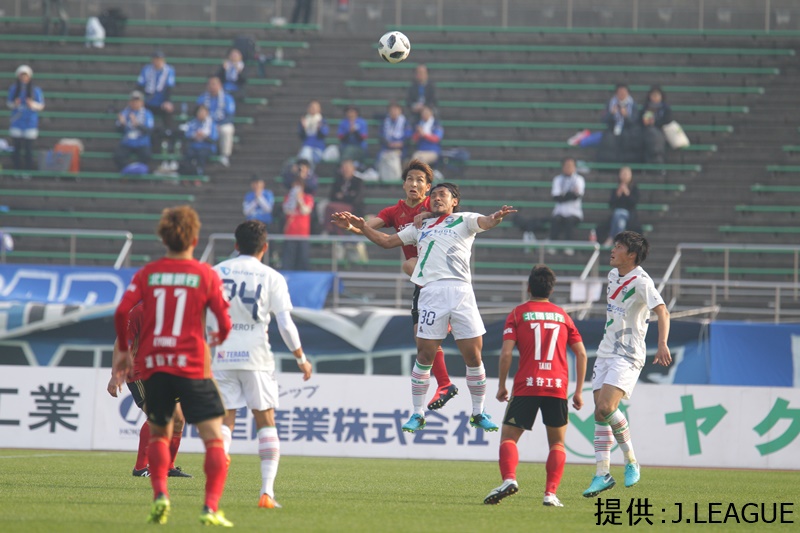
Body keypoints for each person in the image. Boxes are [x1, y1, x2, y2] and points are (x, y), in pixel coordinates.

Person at [340, 183, 516, 433]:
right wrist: (363, 227)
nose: (436, 198)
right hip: (431, 293)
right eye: (433, 195)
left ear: (454, 201)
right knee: (424, 355)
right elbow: (387, 241)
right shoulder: (420, 226)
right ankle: (417, 413)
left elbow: (485, 222)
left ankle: (478, 412)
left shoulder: (464, 220)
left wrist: (496, 217)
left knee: (473, 356)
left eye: (442, 195)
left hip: (461, 292)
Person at [112, 205, 234, 526]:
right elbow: (224, 321)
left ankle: (160, 496)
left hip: (156, 366)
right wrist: (219, 338)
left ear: (163, 239)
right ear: (194, 239)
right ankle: (210, 507)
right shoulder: (205, 274)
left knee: (160, 430)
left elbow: (121, 312)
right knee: (214, 435)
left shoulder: (148, 274)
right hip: (191, 364)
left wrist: (123, 353)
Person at [331, 160, 458, 410]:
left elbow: (450, 216)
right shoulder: (394, 211)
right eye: (410, 179)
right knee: (421, 340)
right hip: (422, 283)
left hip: (441, 276)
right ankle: (444, 385)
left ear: (428, 187)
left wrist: (429, 214)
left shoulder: (433, 204)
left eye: (420, 180)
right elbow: (368, 229)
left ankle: (455, 387)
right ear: (403, 184)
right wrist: (352, 227)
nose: (414, 184)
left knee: (408, 264)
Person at [210, 220, 313, 509]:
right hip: (256, 355)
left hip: (221, 354)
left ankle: (219, 468)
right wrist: (301, 359)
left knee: (225, 420)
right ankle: (266, 492)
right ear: (265, 248)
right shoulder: (272, 277)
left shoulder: (215, 273)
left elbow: (202, 316)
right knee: (265, 420)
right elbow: (285, 324)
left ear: (235, 245)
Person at [484, 265, 587, 507]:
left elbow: (506, 353)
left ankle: (509, 479)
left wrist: (502, 385)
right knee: (557, 444)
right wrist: (579, 391)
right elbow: (581, 354)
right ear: (551, 290)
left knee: (509, 438)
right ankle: (550, 494)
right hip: (557, 386)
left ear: (529, 287)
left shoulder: (518, 314)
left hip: (527, 384)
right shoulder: (563, 316)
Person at [582, 230, 671, 498]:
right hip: (606, 350)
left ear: (631, 255)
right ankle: (602, 474)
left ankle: (631, 461)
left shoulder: (642, 281)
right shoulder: (612, 275)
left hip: (628, 353)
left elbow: (663, 311)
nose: (613, 250)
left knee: (606, 407)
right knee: (600, 413)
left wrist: (662, 343)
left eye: (619, 247)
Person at [106, 303, 192, 479]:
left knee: (178, 420)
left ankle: (168, 466)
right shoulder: (140, 311)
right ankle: (140, 467)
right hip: (139, 372)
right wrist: (116, 373)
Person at [136, 51, 176, 157]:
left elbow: (169, 87)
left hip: (161, 102)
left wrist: (167, 101)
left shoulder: (169, 70)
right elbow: (140, 86)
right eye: (156, 59)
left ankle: (169, 137)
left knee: (169, 112)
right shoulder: (146, 70)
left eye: (159, 59)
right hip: (148, 102)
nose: (157, 62)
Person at [6, 65, 45, 173]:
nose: (24, 78)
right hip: (17, 122)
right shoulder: (14, 89)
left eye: (26, 76)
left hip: (30, 122)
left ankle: (28, 171)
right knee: (17, 148)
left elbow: (41, 105)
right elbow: (9, 103)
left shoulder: (35, 90)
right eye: (22, 76)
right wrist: (15, 104)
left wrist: (32, 104)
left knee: (28, 149)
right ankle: (17, 170)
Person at [197, 76, 235, 167]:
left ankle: (225, 155)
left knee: (227, 129)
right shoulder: (203, 98)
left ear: (220, 85)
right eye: (210, 84)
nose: (212, 87)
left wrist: (218, 125)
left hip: (221, 124)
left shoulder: (227, 98)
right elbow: (197, 113)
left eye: (214, 84)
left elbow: (230, 116)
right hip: (205, 124)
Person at [548, 157, 585, 252]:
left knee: (569, 221)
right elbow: (556, 197)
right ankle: (553, 245)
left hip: (574, 212)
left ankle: (569, 246)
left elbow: (577, 195)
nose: (568, 168)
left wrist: (564, 196)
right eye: (566, 165)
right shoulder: (557, 179)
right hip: (559, 212)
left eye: (571, 166)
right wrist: (570, 194)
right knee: (555, 220)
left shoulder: (579, 179)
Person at [597, 84, 641, 164]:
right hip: (612, 129)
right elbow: (604, 120)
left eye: (624, 92)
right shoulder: (610, 103)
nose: (622, 94)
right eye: (620, 92)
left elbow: (635, 121)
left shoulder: (633, 105)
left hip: (628, 130)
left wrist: (626, 116)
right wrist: (611, 114)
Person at [114, 90, 154, 172]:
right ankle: (128, 171)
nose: (135, 103)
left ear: (142, 102)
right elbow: (118, 130)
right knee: (118, 155)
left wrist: (137, 124)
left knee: (146, 155)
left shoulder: (147, 114)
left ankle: (136, 171)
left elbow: (148, 130)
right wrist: (122, 124)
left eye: (137, 101)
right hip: (128, 142)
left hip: (142, 142)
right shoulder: (124, 113)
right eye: (133, 101)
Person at [600, 167, 639, 247]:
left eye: (626, 174)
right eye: (623, 174)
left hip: (629, 214)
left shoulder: (634, 188)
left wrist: (627, 193)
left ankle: (611, 238)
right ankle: (620, 241)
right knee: (620, 222)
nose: (624, 176)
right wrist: (618, 194)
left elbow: (634, 203)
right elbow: (611, 204)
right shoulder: (616, 189)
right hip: (616, 215)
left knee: (619, 214)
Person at [282, 176, 314, 270]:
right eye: (295, 185)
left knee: (303, 259)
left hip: (303, 234)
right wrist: (293, 199)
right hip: (290, 233)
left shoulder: (308, 198)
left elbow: (305, 211)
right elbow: (286, 210)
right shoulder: (287, 198)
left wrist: (299, 200)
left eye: (299, 185)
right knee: (288, 260)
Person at [179, 104, 218, 180]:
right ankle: (186, 175)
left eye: (203, 112)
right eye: (200, 112)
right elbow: (187, 135)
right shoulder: (192, 123)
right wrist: (195, 135)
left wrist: (204, 136)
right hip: (194, 146)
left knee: (201, 155)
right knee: (188, 154)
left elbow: (214, 138)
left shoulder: (211, 124)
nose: (201, 114)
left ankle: (199, 174)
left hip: (206, 147)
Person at [639, 86, 673, 165]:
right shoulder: (646, 108)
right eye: (653, 95)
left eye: (657, 95)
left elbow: (668, 120)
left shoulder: (665, 108)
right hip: (647, 132)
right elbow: (640, 120)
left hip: (662, 131)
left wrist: (655, 122)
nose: (655, 98)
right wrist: (645, 122)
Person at [377, 102, 407, 182]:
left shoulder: (405, 122)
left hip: (401, 149)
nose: (394, 112)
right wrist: (388, 143)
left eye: (396, 110)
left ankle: (397, 178)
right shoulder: (385, 122)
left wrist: (401, 144)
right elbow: (381, 136)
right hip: (387, 148)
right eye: (392, 110)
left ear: (400, 111)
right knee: (381, 156)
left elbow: (408, 137)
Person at [297, 100, 328, 166]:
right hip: (306, 147)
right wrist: (303, 128)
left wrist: (319, 128)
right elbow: (301, 136)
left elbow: (324, 134)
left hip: (318, 148)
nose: (313, 109)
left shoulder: (322, 121)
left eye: (315, 107)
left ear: (319, 109)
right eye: (312, 107)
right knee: (306, 154)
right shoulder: (304, 120)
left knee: (307, 156)